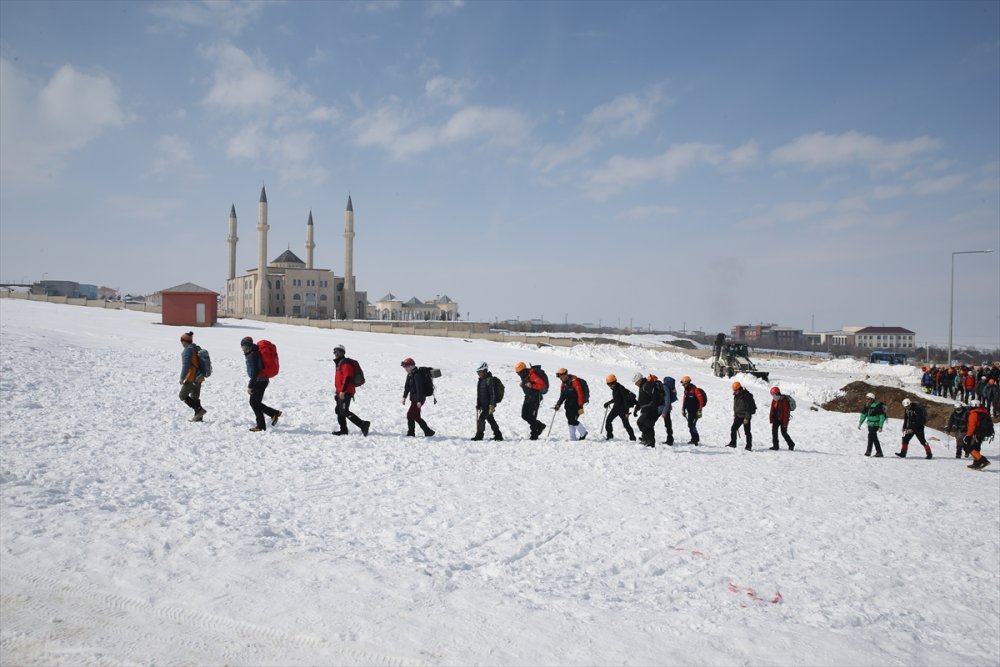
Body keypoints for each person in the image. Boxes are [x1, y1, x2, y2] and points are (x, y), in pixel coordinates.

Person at [241, 336, 281, 432]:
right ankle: (273, 413)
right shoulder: (253, 352)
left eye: (242, 345)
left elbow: (255, 371)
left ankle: (261, 425)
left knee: (254, 403)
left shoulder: (252, 355)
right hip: (261, 380)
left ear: (246, 345)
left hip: (259, 381)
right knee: (255, 403)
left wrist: (250, 385)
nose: (241, 347)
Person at [332, 344, 370, 436]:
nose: (335, 354)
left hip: (346, 392)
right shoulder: (340, 363)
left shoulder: (345, 363)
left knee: (344, 411)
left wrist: (343, 391)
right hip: (340, 391)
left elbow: (348, 377)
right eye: (334, 352)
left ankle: (363, 424)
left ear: (342, 352)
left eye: (337, 352)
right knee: (339, 410)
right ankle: (343, 430)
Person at [401, 357, 435, 437]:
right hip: (414, 399)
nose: (405, 369)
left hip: (419, 399)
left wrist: (419, 400)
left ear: (411, 366)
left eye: (406, 367)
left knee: (410, 415)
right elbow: (407, 387)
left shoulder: (417, 375)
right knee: (416, 416)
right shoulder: (410, 375)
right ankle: (428, 431)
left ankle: (411, 433)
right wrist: (404, 397)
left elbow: (420, 389)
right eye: (404, 367)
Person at [178, 331, 207, 422]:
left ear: (184, 341)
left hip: (192, 377)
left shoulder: (188, 350)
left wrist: (182, 378)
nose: (182, 344)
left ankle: (199, 410)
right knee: (195, 397)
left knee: (182, 395)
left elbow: (186, 365)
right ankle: (198, 417)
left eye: (182, 342)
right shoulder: (196, 348)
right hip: (199, 376)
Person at [553, 368, 588, 441]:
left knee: (572, 420)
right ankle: (573, 438)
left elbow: (580, 394)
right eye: (560, 377)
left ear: (565, 375)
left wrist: (580, 406)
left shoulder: (575, 382)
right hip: (568, 405)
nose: (561, 379)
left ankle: (583, 433)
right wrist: (558, 404)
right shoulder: (563, 384)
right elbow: (562, 396)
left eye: (562, 377)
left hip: (576, 405)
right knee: (570, 420)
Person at [515, 361, 547, 440]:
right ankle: (540, 425)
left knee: (532, 417)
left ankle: (534, 434)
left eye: (519, 373)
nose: (518, 374)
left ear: (523, 370)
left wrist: (532, 385)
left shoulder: (532, 375)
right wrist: (523, 385)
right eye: (517, 373)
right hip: (528, 397)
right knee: (524, 415)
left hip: (535, 398)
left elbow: (542, 385)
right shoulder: (525, 376)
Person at [472, 362, 503, 441]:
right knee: (490, 419)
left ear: (485, 371)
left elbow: (492, 393)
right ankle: (498, 435)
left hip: (488, 405)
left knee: (481, 419)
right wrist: (479, 404)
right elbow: (480, 394)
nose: (479, 374)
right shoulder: (481, 380)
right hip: (483, 405)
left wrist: (492, 405)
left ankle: (479, 435)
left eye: (480, 372)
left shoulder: (489, 380)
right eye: (477, 372)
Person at [602, 374, 636, 441]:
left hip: (623, 410)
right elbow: (616, 399)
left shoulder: (621, 388)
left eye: (610, 384)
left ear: (614, 382)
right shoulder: (614, 388)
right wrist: (609, 402)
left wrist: (626, 412)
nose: (609, 386)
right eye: (608, 384)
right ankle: (610, 436)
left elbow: (625, 401)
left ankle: (632, 438)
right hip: (616, 408)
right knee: (608, 421)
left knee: (626, 425)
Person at [633, 373, 662, 447]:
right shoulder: (642, 386)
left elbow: (655, 396)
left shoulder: (647, 385)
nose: (635, 384)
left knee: (642, 423)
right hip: (646, 409)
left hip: (650, 409)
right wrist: (636, 409)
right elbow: (641, 399)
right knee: (647, 425)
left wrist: (653, 407)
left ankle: (650, 441)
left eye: (636, 382)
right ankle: (646, 439)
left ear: (639, 380)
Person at [962, 399, 992, 470]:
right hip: (982, 433)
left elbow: (972, 426)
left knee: (967, 447)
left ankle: (983, 460)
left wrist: (968, 436)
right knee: (976, 447)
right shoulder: (983, 411)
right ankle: (976, 463)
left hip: (976, 433)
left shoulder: (973, 413)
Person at [726, 381, 756, 450]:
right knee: (733, 428)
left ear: (739, 389)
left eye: (735, 390)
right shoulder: (736, 395)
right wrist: (735, 415)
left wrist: (747, 418)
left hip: (745, 416)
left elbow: (749, 408)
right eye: (734, 390)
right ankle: (733, 443)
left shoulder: (746, 396)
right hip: (738, 416)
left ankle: (749, 446)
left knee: (747, 432)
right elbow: (736, 406)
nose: (734, 391)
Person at [857, 392, 885, 457]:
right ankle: (879, 452)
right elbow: (864, 415)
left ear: (872, 399)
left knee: (870, 436)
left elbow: (882, 416)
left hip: (876, 424)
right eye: (866, 399)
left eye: (869, 399)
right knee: (873, 438)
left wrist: (880, 426)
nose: (867, 400)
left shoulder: (877, 405)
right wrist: (860, 423)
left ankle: (868, 451)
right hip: (870, 424)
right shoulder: (867, 405)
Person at [679, 376, 705, 445]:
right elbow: (684, 400)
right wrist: (683, 409)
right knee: (690, 425)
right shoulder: (686, 391)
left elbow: (701, 401)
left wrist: (700, 410)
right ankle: (694, 438)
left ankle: (695, 439)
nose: (683, 386)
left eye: (684, 384)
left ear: (687, 383)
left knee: (692, 425)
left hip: (695, 411)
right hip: (689, 411)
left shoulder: (695, 390)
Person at [768, 386, 795, 450]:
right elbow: (772, 410)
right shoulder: (774, 400)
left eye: (773, 395)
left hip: (783, 420)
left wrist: (785, 423)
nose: (772, 396)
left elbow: (786, 413)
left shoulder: (784, 401)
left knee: (784, 433)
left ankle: (791, 444)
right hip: (776, 419)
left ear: (777, 394)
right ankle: (775, 446)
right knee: (774, 432)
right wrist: (771, 418)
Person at [660, 376, 678, 445]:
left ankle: (670, 440)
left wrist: (664, 411)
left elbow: (667, 400)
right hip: (668, 408)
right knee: (668, 424)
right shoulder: (670, 387)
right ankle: (670, 439)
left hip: (666, 408)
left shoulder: (665, 387)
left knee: (668, 424)